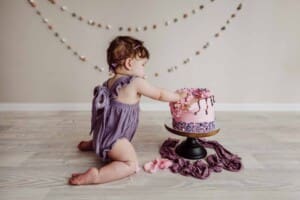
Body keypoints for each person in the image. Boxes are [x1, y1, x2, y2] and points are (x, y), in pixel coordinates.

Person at [69, 36, 187, 185]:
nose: (144, 69)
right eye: (143, 64)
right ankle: (97, 175)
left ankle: (94, 143)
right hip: (115, 139)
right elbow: (159, 94)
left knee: (107, 127)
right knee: (130, 164)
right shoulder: (136, 82)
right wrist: (178, 96)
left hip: (103, 132)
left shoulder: (109, 82)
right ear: (129, 63)